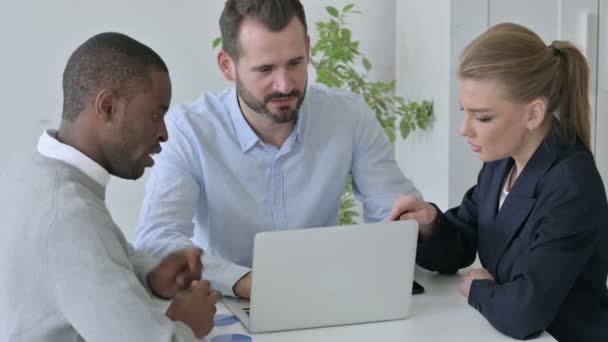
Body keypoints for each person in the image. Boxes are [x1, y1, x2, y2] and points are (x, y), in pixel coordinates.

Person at [134, 0, 420, 299]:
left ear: (308, 49)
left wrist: (409, 224)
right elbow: (156, 240)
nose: (284, 85)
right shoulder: (189, 130)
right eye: (265, 69)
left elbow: (394, 216)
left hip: (327, 295)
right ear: (227, 65)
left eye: (295, 63)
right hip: (230, 303)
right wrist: (246, 282)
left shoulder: (347, 115)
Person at [389, 23, 608, 341]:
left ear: (533, 114)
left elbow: (525, 313)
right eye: (465, 112)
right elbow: (464, 240)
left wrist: (478, 288)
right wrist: (430, 223)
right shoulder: (502, 161)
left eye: (483, 117)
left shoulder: (571, 188)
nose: (465, 130)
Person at [0, 32, 221, 342]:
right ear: (107, 106)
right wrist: (186, 325)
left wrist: (152, 278)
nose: (163, 134)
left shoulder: (31, 170)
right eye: (156, 115)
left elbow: (97, 255)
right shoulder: (70, 213)